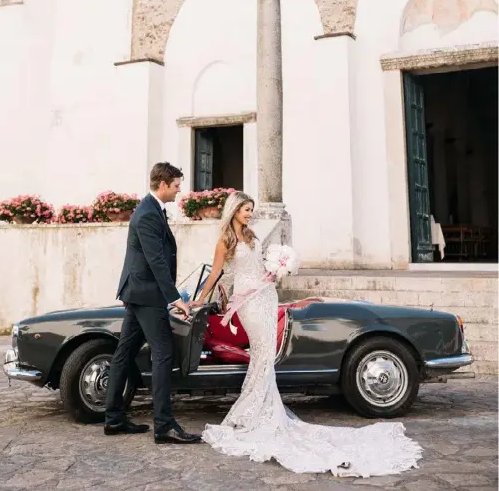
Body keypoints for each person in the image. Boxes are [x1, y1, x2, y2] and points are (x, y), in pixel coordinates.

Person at [191, 191, 423, 476]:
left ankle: (260, 410)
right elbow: (216, 273)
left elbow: (259, 265)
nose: (250, 214)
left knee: (266, 354)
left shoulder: (252, 236)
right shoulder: (225, 241)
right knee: (261, 352)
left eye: (251, 209)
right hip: (247, 302)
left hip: (265, 296)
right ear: (234, 210)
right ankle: (254, 411)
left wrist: (277, 270)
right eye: (245, 209)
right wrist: (200, 300)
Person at [104, 162, 202, 445]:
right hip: (146, 294)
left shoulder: (151, 209)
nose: (179, 190)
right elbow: (155, 259)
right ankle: (164, 425)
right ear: (162, 184)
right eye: (176, 185)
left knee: (124, 354)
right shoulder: (147, 214)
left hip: (137, 292)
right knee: (163, 353)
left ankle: (113, 419)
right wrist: (175, 298)